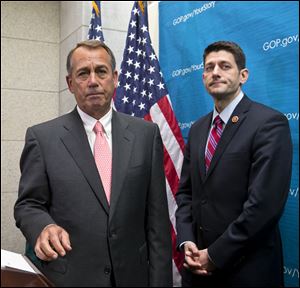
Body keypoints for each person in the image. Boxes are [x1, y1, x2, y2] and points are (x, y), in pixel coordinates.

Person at [14, 40, 172, 287]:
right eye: (83, 73)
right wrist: (42, 227)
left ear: (115, 77)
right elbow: (28, 204)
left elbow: (157, 222)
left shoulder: (146, 134)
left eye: (101, 71)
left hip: (133, 278)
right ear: (70, 83)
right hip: (71, 278)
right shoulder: (43, 138)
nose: (93, 81)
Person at [175, 41, 293, 287]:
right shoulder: (197, 130)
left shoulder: (269, 123)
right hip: (197, 270)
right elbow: (186, 194)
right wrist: (187, 242)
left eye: (224, 66)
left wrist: (215, 255)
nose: (215, 72)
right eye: (209, 67)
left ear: (243, 76)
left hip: (247, 270)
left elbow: (264, 207)